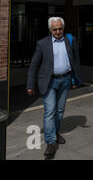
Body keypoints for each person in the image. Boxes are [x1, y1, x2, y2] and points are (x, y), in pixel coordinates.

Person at [26, 17, 81, 157]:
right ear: (50, 30)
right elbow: (34, 65)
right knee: (50, 111)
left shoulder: (70, 40)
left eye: (60, 29)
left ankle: (55, 133)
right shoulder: (42, 44)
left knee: (60, 110)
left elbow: (75, 59)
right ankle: (50, 142)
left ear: (63, 28)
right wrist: (30, 84)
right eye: (55, 29)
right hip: (49, 81)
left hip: (66, 79)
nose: (58, 32)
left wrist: (75, 78)